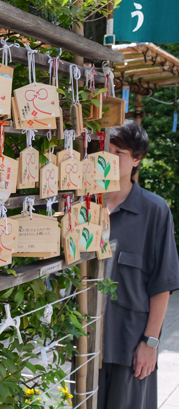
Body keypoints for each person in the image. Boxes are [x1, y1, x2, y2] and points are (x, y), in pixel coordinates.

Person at [98, 120, 179, 409]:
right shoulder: (83, 206)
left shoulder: (154, 210)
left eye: (118, 152)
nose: (109, 157)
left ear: (136, 159)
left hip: (130, 347)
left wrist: (150, 344)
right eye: (105, 150)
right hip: (84, 345)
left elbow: (163, 284)